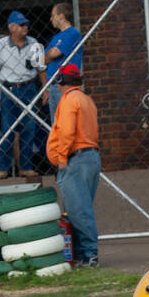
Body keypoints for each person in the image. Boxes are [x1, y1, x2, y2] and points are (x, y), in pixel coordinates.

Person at [46, 63, 100, 267]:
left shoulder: (69, 100)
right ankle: (81, 255)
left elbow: (67, 132)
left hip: (75, 159)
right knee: (81, 209)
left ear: (61, 82)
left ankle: (88, 255)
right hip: (91, 157)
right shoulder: (86, 100)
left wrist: (61, 159)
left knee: (78, 211)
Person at [0, 10, 47, 179]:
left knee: (29, 127)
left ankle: (26, 167)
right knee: (8, 129)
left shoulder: (33, 43)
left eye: (26, 24)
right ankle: (3, 168)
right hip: (9, 90)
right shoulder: (1, 45)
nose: (25, 27)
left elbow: (41, 68)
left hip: (29, 89)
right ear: (11, 27)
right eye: (21, 25)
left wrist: (45, 89)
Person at [44, 2, 83, 124]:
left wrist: (51, 53)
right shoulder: (56, 37)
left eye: (53, 15)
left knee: (67, 124)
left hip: (66, 84)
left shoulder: (72, 33)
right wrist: (50, 53)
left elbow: (54, 53)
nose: (51, 19)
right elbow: (44, 59)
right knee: (56, 125)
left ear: (61, 16)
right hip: (53, 85)